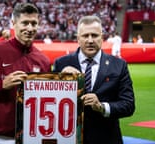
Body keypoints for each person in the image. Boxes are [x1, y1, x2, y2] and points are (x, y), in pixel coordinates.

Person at [0, 3, 51, 144]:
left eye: (34, 23)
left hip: (31, 138)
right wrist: (1, 85)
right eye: (25, 23)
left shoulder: (43, 60)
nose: (30, 28)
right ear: (13, 23)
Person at [53, 15, 135, 144]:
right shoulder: (61, 64)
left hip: (107, 139)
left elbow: (128, 105)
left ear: (102, 37)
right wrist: (59, 81)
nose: (90, 40)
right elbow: (50, 104)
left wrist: (102, 107)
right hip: (70, 139)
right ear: (78, 38)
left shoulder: (119, 65)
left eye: (94, 35)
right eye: (85, 36)